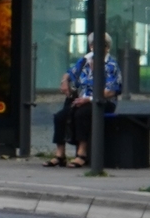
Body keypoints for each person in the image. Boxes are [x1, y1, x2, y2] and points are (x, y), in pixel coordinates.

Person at [47, 34, 118, 167]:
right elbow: (69, 72)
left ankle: (82, 153)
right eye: (92, 45)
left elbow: (110, 91)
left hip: (102, 101)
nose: (95, 48)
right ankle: (60, 154)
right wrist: (64, 81)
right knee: (60, 116)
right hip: (82, 99)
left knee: (81, 114)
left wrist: (89, 99)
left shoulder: (110, 66)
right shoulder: (85, 61)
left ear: (107, 48)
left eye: (100, 46)